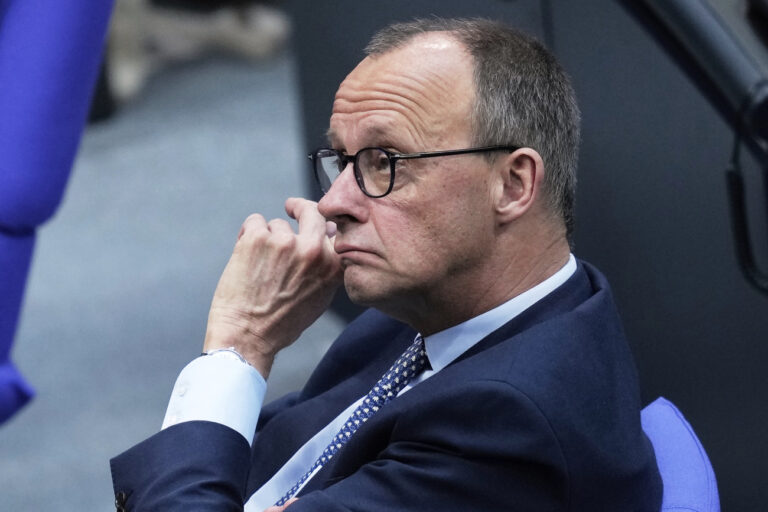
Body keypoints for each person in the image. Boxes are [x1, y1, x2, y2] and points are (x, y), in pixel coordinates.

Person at [110, 17, 662, 511]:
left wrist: (241, 343)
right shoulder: (424, 312)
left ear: (513, 184)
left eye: (385, 162)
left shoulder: (509, 429)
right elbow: (264, 454)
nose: (333, 203)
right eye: (342, 162)